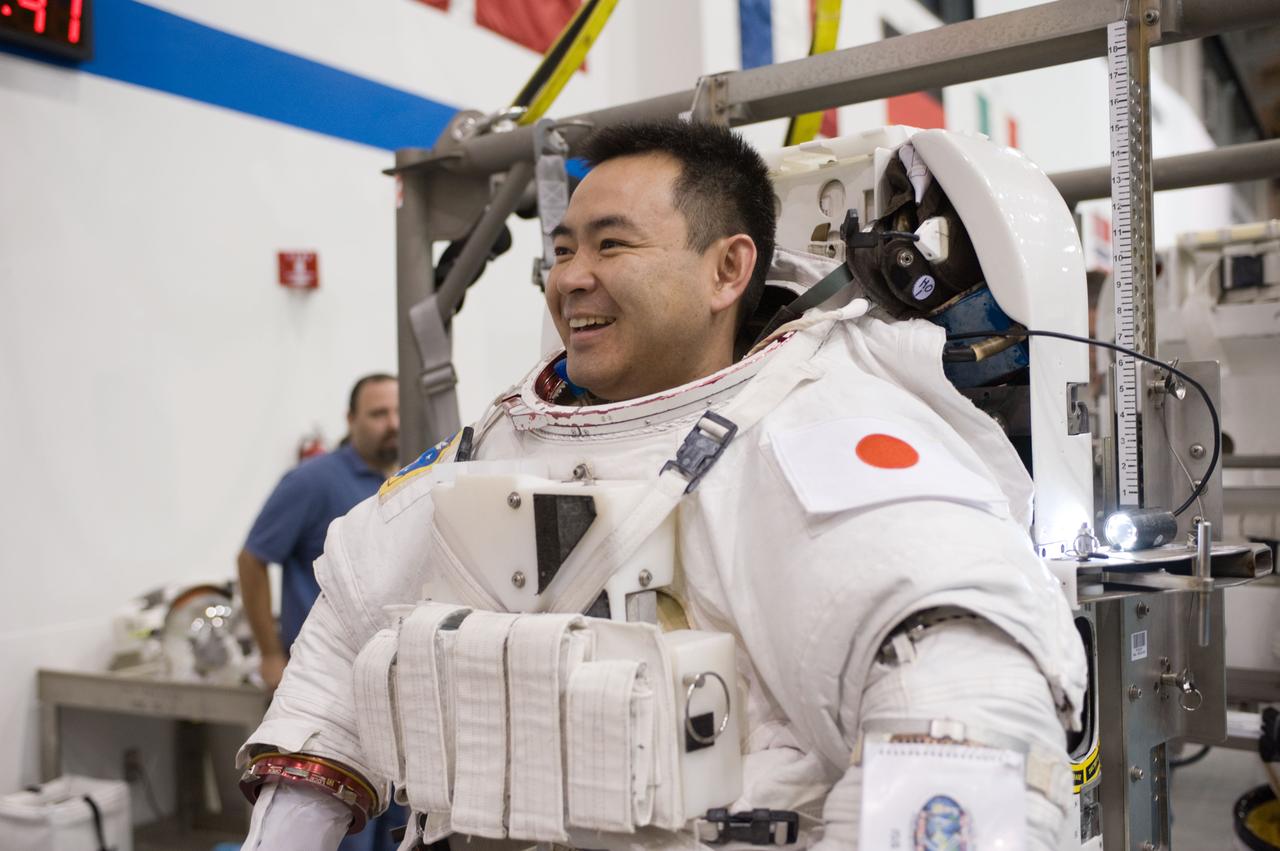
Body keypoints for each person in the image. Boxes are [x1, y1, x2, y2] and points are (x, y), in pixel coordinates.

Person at [237, 121, 1086, 850]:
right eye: (563, 248)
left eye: (612, 244)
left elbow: (968, 718)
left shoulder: (819, 435)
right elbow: (336, 663)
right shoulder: (501, 442)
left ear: (728, 270)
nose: (571, 275)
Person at [237, 372, 406, 851]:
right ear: (351, 420)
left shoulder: (409, 479)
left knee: (397, 831)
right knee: (337, 831)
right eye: (377, 414)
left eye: (397, 412)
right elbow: (251, 559)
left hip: (394, 700)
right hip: (331, 698)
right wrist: (271, 654)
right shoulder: (311, 482)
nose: (391, 423)